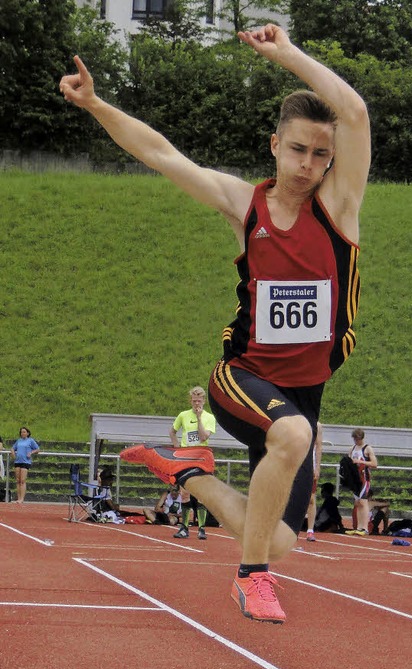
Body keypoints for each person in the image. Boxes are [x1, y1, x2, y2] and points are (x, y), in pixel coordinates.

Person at [60, 23, 370, 624]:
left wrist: (287, 55)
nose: (309, 165)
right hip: (243, 379)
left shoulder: (339, 210)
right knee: (296, 441)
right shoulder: (244, 205)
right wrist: (96, 104)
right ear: (274, 144)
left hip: (303, 394)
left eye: (322, 154)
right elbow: (161, 154)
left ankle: (189, 475)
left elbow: (354, 112)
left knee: (279, 536)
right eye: (298, 149)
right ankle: (252, 579)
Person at [169, 386, 217, 540]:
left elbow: (203, 437)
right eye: (194, 401)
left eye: (199, 401)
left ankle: (202, 528)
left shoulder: (209, 417)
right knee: (184, 493)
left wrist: (198, 418)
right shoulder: (183, 415)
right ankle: (184, 527)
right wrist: (176, 446)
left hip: (201, 458)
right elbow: (172, 431)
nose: (196, 403)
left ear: (203, 401)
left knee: (201, 494)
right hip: (185, 458)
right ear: (191, 400)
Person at [345, 428, 377, 536]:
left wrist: (359, 461)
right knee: (358, 503)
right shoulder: (352, 449)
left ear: (361, 438)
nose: (356, 441)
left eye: (357, 439)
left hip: (364, 477)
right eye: (354, 439)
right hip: (355, 479)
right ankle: (359, 527)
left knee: (363, 502)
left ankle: (365, 527)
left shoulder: (367, 449)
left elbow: (374, 464)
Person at [304, 422, 323, 542]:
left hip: (309, 466)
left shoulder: (317, 425)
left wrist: (317, 467)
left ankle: (310, 530)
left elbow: (319, 446)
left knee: (311, 499)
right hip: (295, 464)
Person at [10, 427, 40, 504]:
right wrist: (13, 452)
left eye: (24, 432)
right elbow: (13, 448)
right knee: (18, 480)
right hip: (18, 461)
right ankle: (18, 498)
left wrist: (31, 453)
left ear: (27, 433)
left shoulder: (30, 440)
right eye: (21, 432)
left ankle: (22, 499)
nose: (22, 433)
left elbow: (37, 449)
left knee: (22, 480)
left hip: (25, 461)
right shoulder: (18, 441)